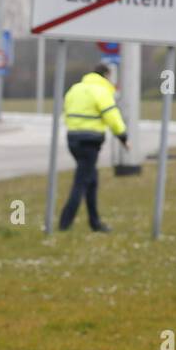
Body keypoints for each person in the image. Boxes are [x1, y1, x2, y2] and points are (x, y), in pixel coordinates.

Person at [59, 62, 128, 232]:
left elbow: (66, 110)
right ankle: (64, 223)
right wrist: (122, 136)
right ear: (106, 75)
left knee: (91, 179)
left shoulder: (76, 89)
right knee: (81, 181)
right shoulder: (101, 91)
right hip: (90, 141)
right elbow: (111, 114)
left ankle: (94, 222)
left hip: (73, 138)